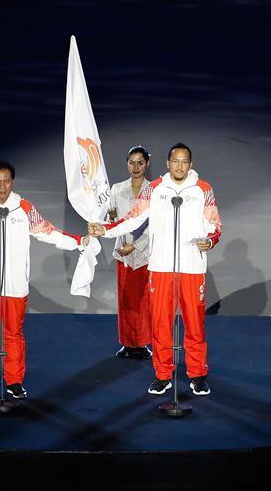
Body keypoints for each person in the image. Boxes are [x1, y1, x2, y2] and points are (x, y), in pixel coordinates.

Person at [89, 143, 221, 396]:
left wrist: (211, 240)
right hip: (160, 267)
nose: (179, 166)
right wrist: (105, 230)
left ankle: (197, 374)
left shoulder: (203, 189)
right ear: (167, 163)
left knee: (195, 326)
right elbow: (133, 218)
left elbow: (214, 224)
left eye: (184, 162)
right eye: (175, 161)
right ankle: (163, 375)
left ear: (190, 165)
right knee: (160, 324)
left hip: (192, 268)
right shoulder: (154, 189)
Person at [0, 161, 89, 400]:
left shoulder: (24, 208)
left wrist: (78, 241)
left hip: (15, 283)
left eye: (6, 181)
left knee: (14, 333)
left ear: (13, 182)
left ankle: (14, 380)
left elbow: (48, 232)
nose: (2, 186)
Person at [107, 145, 154, 360]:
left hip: (144, 253)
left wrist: (135, 246)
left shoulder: (154, 191)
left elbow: (155, 226)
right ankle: (127, 343)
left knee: (144, 300)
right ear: (127, 163)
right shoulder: (116, 189)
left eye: (140, 163)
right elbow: (110, 221)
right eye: (131, 162)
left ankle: (143, 343)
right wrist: (109, 217)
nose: (135, 167)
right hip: (122, 253)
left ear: (147, 164)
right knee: (125, 300)